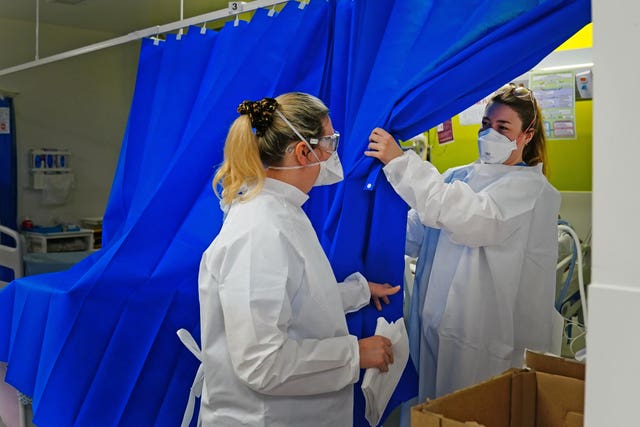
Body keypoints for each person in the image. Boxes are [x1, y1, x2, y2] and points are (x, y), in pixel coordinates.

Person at [197, 92, 401, 426]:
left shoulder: (280, 211)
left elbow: (294, 298)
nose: (334, 152)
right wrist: (355, 354)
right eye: (330, 141)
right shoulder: (259, 231)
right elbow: (262, 363)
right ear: (303, 152)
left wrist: (359, 292)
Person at [364, 84, 560, 400]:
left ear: (527, 134)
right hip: (432, 328)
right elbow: (415, 233)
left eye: (502, 127)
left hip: (484, 340)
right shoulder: (458, 177)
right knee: (433, 408)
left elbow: (471, 219)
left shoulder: (531, 190)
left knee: (475, 409)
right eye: (486, 124)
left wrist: (401, 163)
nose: (490, 133)